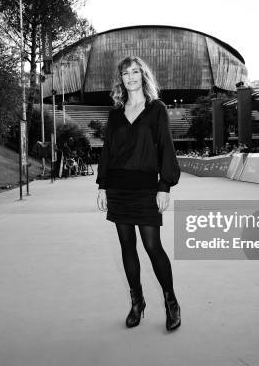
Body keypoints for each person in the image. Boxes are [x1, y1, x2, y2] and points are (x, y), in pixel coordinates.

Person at [96, 56, 181, 332]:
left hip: (146, 188)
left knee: (152, 246)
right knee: (126, 246)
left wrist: (164, 186)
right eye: (125, 73)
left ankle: (171, 302)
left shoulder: (157, 109)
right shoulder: (115, 113)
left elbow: (166, 148)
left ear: (142, 76)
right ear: (120, 78)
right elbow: (108, 150)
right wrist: (103, 186)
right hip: (119, 187)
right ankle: (137, 302)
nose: (130, 77)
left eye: (135, 72)